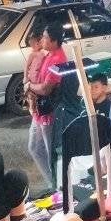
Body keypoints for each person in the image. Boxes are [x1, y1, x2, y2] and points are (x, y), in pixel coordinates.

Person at [27, 24, 66, 187]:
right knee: (35, 147)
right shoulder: (48, 54)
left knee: (51, 152)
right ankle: (52, 183)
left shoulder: (58, 59)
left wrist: (29, 86)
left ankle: (57, 186)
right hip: (39, 111)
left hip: (48, 113)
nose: (42, 40)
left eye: (45, 37)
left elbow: (45, 88)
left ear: (54, 41)